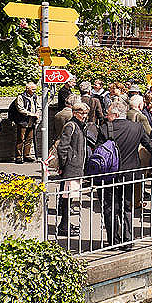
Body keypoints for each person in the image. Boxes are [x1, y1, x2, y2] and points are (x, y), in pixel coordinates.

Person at [98, 98, 152, 248]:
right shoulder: (137, 128)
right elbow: (150, 146)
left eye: (108, 113)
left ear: (115, 114)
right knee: (127, 207)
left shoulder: (106, 128)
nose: (106, 115)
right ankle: (128, 240)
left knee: (110, 207)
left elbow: (98, 152)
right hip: (130, 173)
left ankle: (113, 241)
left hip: (109, 174)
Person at [56, 102, 89, 237]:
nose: (84, 116)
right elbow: (62, 147)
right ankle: (63, 226)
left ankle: (65, 224)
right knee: (67, 196)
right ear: (75, 113)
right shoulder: (71, 126)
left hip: (75, 165)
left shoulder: (79, 125)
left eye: (86, 113)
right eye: (82, 113)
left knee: (69, 197)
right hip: (71, 166)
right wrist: (64, 165)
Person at [13, 82, 39, 163]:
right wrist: (31, 114)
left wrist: (37, 113)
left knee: (29, 139)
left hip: (31, 121)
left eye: (35, 89)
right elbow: (20, 108)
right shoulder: (20, 97)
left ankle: (26, 155)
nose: (35, 91)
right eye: (33, 89)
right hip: (23, 121)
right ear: (27, 89)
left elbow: (38, 106)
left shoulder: (35, 96)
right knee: (21, 139)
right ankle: (18, 156)